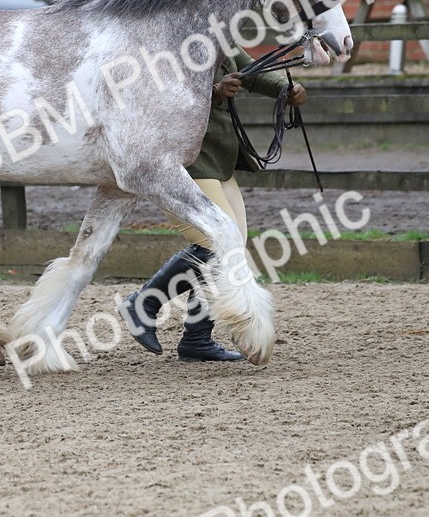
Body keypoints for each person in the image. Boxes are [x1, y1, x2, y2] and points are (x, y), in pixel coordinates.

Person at [119, 49, 307, 361]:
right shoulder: (171, 39)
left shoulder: (221, 35)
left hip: (217, 156)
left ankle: (197, 339)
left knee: (231, 249)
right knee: (215, 244)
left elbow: (251, 70)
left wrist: (285, 91)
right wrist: (213, 92)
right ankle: (144, 303)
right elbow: (156, 90)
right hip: (179, 160)